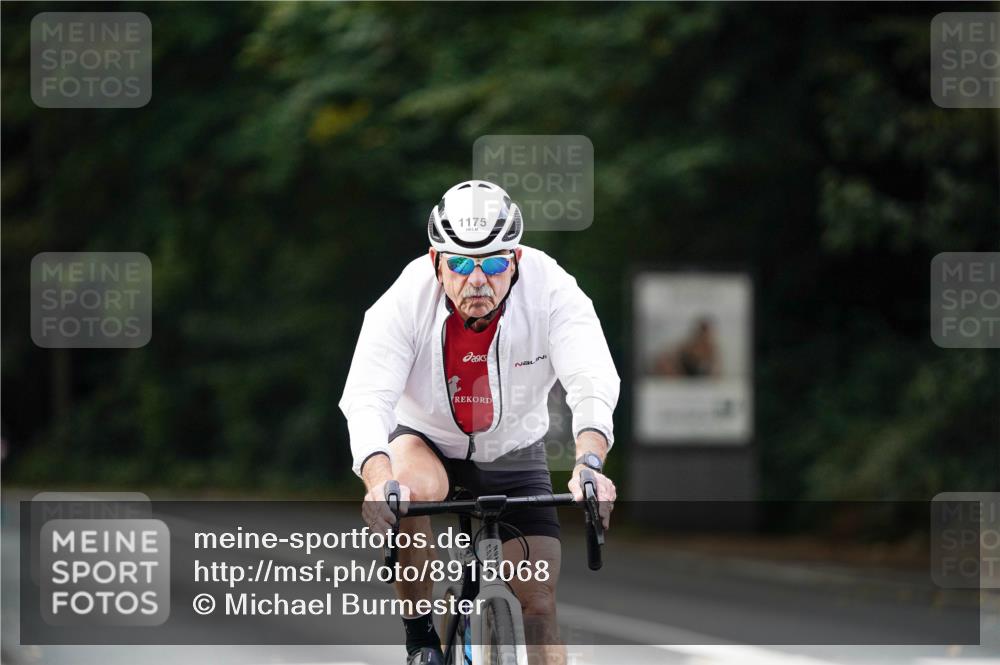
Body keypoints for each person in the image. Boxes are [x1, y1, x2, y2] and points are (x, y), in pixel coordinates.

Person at [339, 180, 620, 665]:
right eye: (461, 264)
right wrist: (379, 480)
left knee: (539, 604)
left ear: (514, 260)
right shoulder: (406, 297)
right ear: (436, 261)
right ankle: (421, 638)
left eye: (492, 263)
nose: (476, 280)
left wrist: (590, 461)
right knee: (409, 494)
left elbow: (591, 378)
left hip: (513, 446)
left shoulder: (552, 289)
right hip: (426, 439)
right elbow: (367, 396)